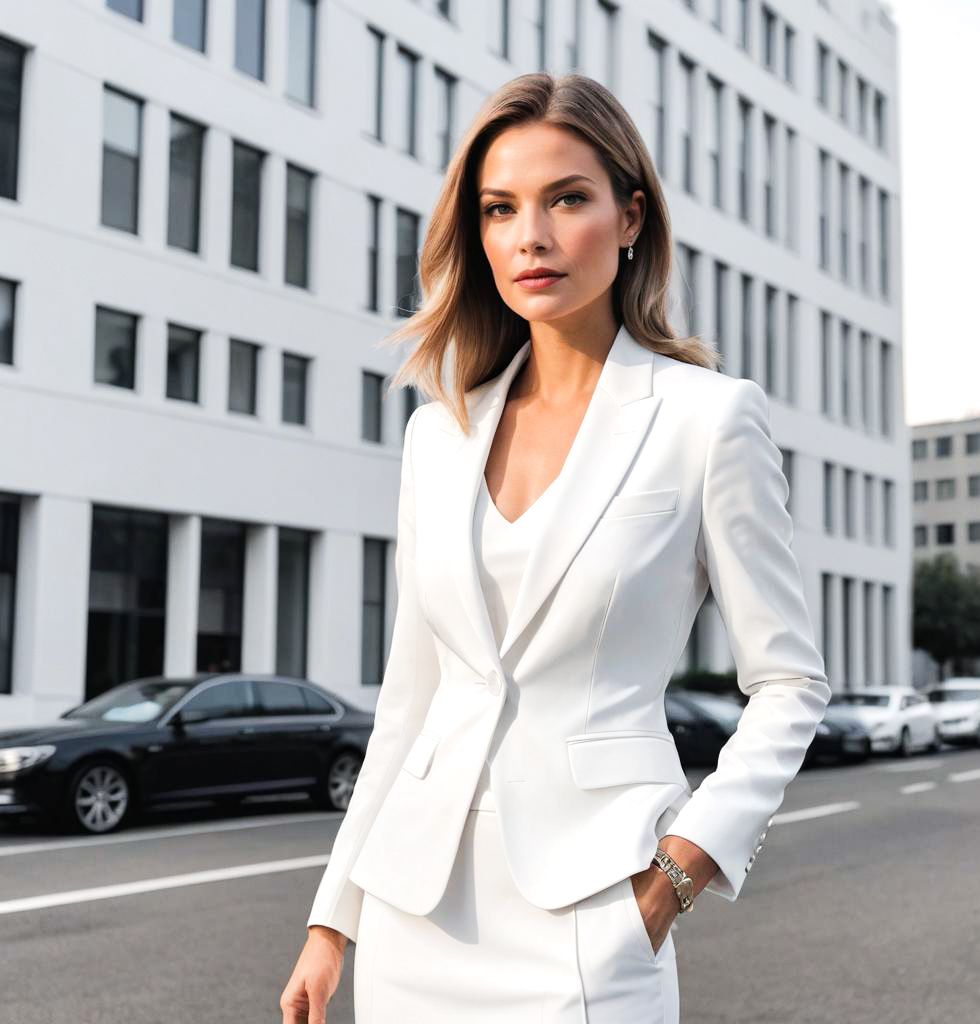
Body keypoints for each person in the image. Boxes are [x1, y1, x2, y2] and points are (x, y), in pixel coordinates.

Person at [280, 71, 830, 1023]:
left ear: (630, 218)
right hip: (415, 918)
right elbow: (412, 701)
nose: (529, 235)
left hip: (595, 911)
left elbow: (790, 683)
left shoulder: (709, 420)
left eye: (566, 198)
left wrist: (676, 876)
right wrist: (334, 924)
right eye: (500, 208)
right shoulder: (437, 435)